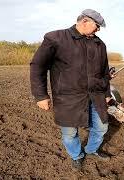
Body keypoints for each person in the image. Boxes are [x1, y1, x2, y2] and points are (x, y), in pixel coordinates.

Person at [30, 9, 111, 171]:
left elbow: (104, 72)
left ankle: (91, 149)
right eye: (97, 26)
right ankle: (77, 156)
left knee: (102, 127)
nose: (98, 30)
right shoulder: (56, 38)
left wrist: (107, 93)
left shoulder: (99, 44)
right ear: (85, 21)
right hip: (67, 98)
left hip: (96, 95)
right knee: (69, 133)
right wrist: (40, 95)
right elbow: (38, 66)